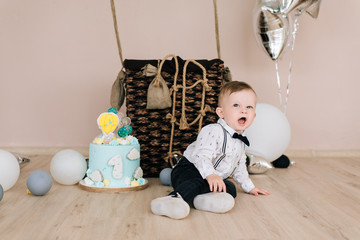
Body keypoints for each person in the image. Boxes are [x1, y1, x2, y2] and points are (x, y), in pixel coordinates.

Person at [151, 81, 270, 219]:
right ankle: (173, 199)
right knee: (198, 181)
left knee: (230, 188)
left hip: (212, 178)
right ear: (221, 112)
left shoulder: (241, 141)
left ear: (254, 115)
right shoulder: (213, 130)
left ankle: (201, 200)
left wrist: (250, 187)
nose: (243, 110)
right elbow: (201, 156)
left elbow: (240, 167)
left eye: (249, 107)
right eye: (236, 105)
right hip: (190, 168)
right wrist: (210, 175)